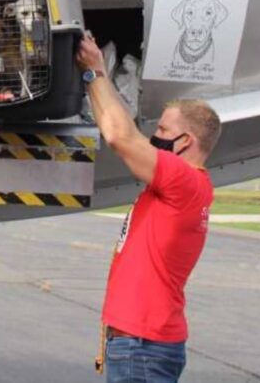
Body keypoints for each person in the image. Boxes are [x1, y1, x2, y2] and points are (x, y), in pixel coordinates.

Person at [76, 36, 222, 383]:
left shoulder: (182, 180)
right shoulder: (187, 187)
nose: (153, 137)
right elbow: (114, 126)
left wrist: (96, 69)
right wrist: (90, 78)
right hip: (143, 344)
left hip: (141, 347)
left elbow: (118, 137)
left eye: (162, 129)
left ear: (185, 141)